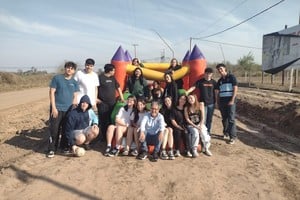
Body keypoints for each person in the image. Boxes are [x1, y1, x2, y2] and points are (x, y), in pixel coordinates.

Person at [46, 61, 79, 158]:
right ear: (65, 68)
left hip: (68, 110)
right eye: (68, 67)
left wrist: (73, 107)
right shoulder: (57, 78)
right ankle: (51, 149)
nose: (69, 69)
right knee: (54, 129)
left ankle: (64, 147)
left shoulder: (74, 82)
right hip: (57, 108)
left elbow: (75, 96)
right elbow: (52, 92)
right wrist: (54, 108)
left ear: (74, 71)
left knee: (66, 129)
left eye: (72, 68)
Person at [97, 64, 124, 142]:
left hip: (112, 103)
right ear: (110, 70)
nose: (114, 72)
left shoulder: (113, 78)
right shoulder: (100, 78)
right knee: (103, 120)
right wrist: (96, 98)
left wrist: (122, 98)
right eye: (114, 70)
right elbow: (95, 88)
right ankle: (103, 137)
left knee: (111, 119)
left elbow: (118, 88)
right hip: (102, 103)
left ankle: (110, 136)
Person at [186, 67, 217, 135]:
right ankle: (203, 132)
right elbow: (193, 87)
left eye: (209, 74)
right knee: (203, 118)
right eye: (206, 73)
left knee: (209, 119)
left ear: (211, 74)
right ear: (204, 73)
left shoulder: (214, 82)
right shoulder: (200, 81)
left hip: (211, 103)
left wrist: (216, 101)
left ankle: (207, 132)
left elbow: (216, 92)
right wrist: (187, 92)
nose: (208, 75)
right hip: (202, 103)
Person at [215, 63, 238, 144]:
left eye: (221, 69)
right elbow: (217, 92)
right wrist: (217, 102)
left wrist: (232, 100)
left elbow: (235, 88)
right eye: (218, 69)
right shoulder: (220, 81)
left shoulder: (231, 77)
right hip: (222, 102)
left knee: (231, 119)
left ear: (225, 69)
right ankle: (226, 133)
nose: (220, 70)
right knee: (224, 118)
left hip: (230, 101)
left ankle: (233, 137)